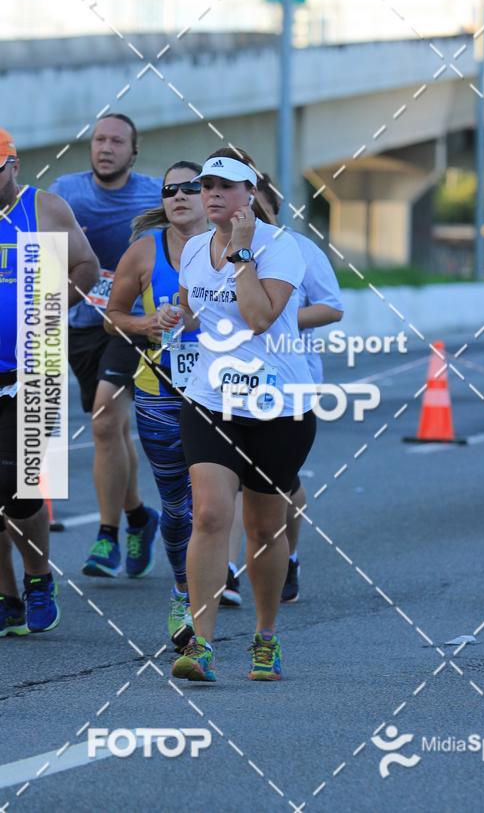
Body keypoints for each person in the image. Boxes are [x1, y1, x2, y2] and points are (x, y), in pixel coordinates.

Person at [164, 147, 317, 682]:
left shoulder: (281, 249)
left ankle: (265, 637)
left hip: (279, 406)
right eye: (205, 185)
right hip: (211, 399)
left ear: (249, 195)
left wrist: (243, 253)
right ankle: (201, 643)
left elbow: (255, 316)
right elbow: (191, 311)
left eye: (224, 187)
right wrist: (172, 314)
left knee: (263, 526)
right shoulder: (193, 248)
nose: (208, 194)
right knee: (208, 514)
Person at [49, 114, 162, 579]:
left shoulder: (155, 194)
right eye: (99, 140)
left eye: (117, 141)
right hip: (77, 323)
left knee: (104, 421)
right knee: (111, 430)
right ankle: (139, 515)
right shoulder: (66, 191)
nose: (106, 147)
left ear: (133, 152)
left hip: (130, 323)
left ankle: (107, 536)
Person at [223, 172, 343, 607]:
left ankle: (287, 556)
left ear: (267, 202)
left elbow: (332, 307)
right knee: (232, 480)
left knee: (279, 486)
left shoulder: (297, 248)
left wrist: (280, 317)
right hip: (230, 380)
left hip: (291, 377)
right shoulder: (212, 248)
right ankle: (227, 572)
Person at [0, 127, 99, 636]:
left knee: (27, 487)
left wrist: (53, 307)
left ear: (13, 166)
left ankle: (39, 578)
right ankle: (7, 596)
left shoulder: (44, 209)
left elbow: (86, 264)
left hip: (36, 362)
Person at [106, 161, 206, 646]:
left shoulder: (238, 249)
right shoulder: (145, 252)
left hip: (223, 395)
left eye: (191, 187)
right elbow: (113, 317)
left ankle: (207, 592)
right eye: (170, 190)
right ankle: (183, 592)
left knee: (212, 503)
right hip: (160, 394)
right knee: (178, 507)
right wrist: (148, 325)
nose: (179, 196)